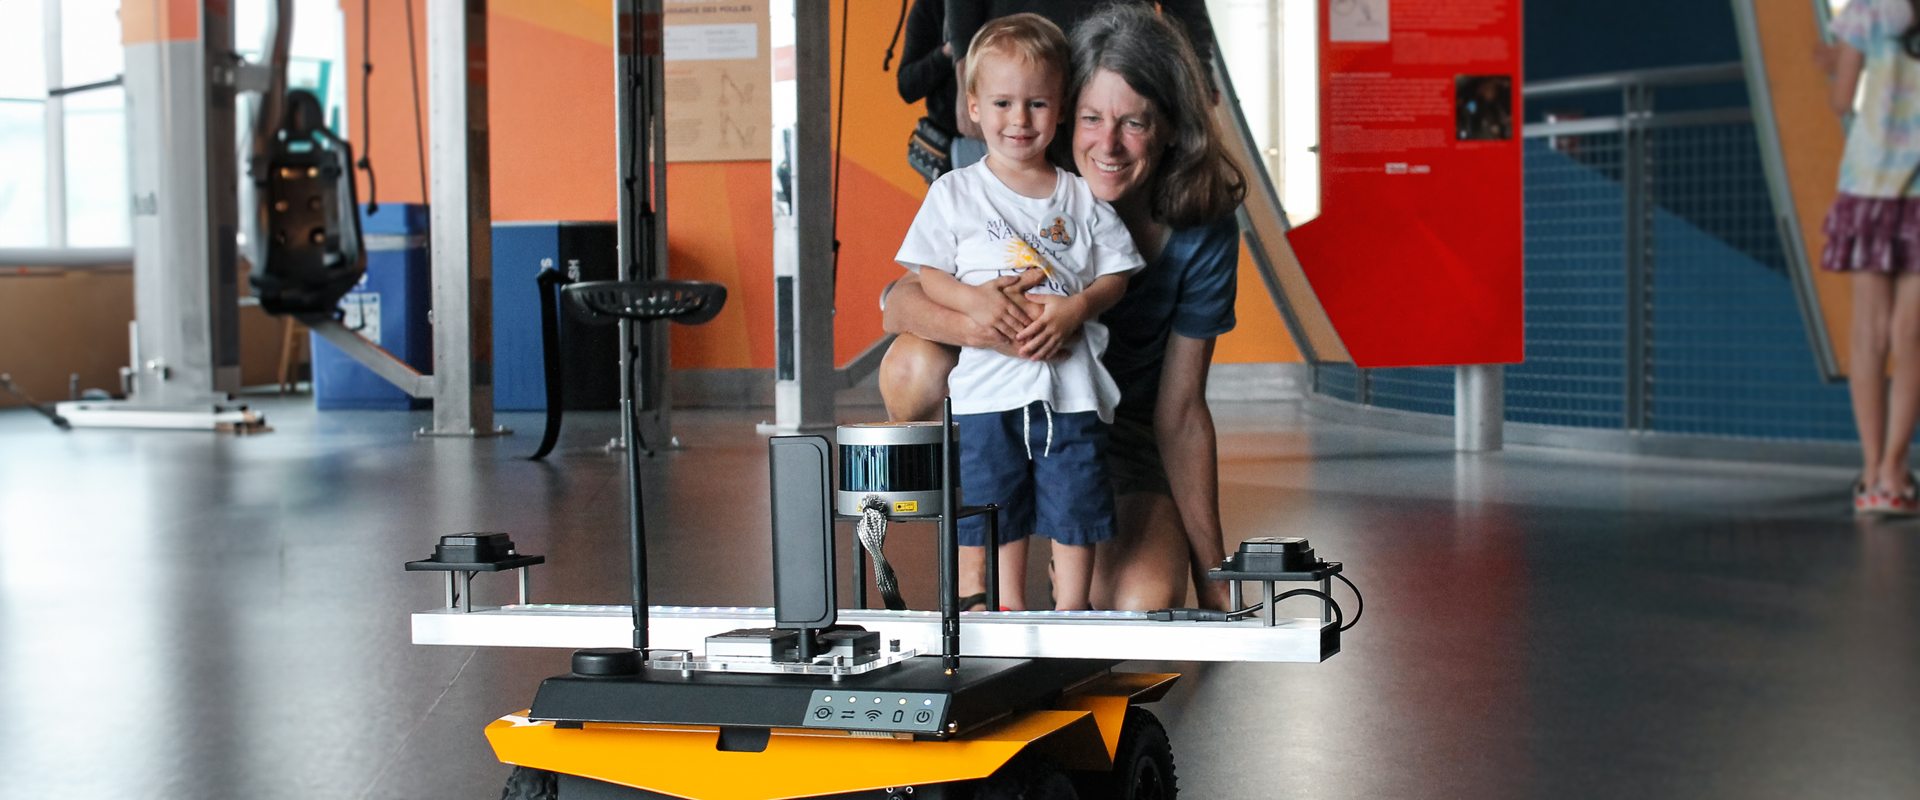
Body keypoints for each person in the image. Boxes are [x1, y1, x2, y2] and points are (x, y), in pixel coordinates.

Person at [883, 4, 1246, 610]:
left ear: (1171, 127)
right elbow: (898, 301)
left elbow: (1180, 412)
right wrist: (990, 325)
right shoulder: (989, 181)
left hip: (1112, 430)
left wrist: (1216, 578)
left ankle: (1070, 569)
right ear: (1066, 112)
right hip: (997, 399)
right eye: (1091, 117)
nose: (1107, 143)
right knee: (913, 366)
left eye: (1134, 123)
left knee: (1142, 604)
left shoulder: (1197, 230)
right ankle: (975, 560)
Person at [896, 13, 1144, 611]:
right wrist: (977, 302)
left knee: (1075, 495)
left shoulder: (1079, 194)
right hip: (985, 388)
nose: (1019, 120)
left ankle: (1072, 610)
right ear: (974, 106)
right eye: (1003, 103)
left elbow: (1118, 271)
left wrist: (1076, 308)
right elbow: (927, 272)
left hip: (1070, 388)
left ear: (1060, 110)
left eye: (1037, 104)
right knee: (993, 500)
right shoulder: (954, 191)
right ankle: (1003, 606)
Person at [1821, 0, 1920, 515]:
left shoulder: (1867, 9)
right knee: (1912, 337)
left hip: (1868, 185)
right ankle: (1894, 475)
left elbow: (1842, 101)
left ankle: (1870, 470)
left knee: (1868, 335)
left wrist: (1835, 67)